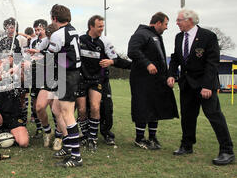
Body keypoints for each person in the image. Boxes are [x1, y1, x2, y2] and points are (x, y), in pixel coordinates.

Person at [167, 9, 234, 165]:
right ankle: (186, 145)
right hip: (187, 85)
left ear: (189, 20)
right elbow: (176, 58)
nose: (176, 23)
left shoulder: (208, 36)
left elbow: (212, 63)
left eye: (178, 20)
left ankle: (227, 151)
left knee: (214, 115)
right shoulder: (179, 37)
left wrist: (207, 86)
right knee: (187, 116)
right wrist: (171, 74)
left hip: (205, 85)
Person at [127, 12, 179, 150]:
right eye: (166, 24)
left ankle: (152, 137)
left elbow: (161, 59)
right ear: (158, 23)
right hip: (142, 80)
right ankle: (139, 138)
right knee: (143, 107)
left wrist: (168, 75)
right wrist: (147, 63)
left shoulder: (156, 36)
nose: (167, 27)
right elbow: (132, 51)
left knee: (156, 107)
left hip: (157, 80)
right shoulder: (141, 34)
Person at [77, 15, 121, 150]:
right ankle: (85, 135)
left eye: (103, 26)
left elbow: (116, 58)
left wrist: (111, 61)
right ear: (91, 26)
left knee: (96, 107)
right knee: (82, 110)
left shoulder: (104, 42)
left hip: (97, 80)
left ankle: (92, 139)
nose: (102, 29)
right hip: (81, 79)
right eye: (99, 26)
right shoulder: (79, 40)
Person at [48, 4, 83, 167]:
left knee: (68, 114)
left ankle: (76, 156)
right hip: (68, 73)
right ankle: (69, 146)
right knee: (56, 109)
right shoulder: (73, 30)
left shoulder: (57, 34)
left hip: (67, 75)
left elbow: (50, 58)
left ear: (54, 19)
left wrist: (33, 60)